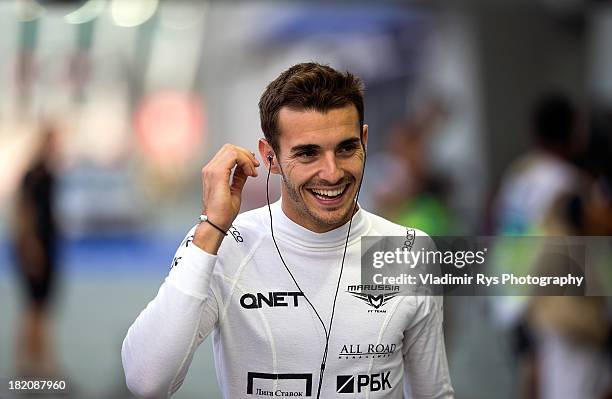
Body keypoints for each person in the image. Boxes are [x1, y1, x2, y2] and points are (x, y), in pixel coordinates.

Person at [122, 63, 454, 398]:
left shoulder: (407, 250)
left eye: (345, 148)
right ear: (270, 158)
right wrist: (212, 226)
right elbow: (146, 380)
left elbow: (434, 393)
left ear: (364, 141)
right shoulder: (226, 244)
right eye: (308, 153)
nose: (331, 172)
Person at [12, 125, 60, 377]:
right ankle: (36, 365)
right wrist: (30, 245)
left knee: (39, 308)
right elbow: (23, 211)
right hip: (35, 247)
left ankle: (33, 362)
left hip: (47, 245)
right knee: (35, 308)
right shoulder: (34, 175)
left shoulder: (50, 174)